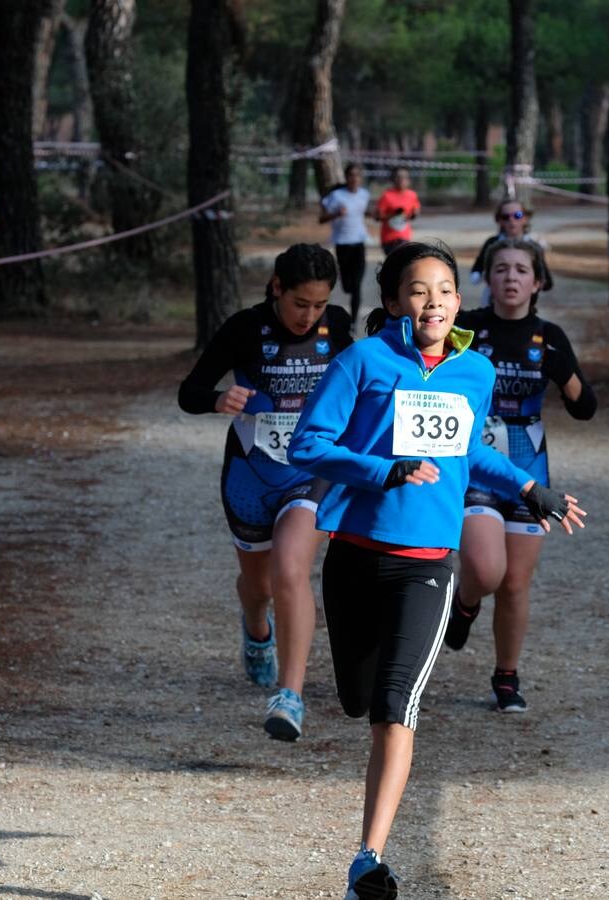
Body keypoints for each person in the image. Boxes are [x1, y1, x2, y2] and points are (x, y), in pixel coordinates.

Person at [287, 241, 586, 898]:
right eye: (419, 290)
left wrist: (528, 488)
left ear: (458, 298)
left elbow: (468, 454)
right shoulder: (361, 361)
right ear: (395, 300)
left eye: (445, 290)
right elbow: (307, 445)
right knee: (359, 699)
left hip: (427, 567)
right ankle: (366, 815)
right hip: (356, 558)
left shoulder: (473, 371)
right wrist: (380, 469)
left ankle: (366, 859)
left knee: (397, 709)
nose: (434, 303)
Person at [177, 243, 352, 742]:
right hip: (251, 476)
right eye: (301, 303)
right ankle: (256, 628)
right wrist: (218, 399)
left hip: (311, 473)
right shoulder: (243, 328)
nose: (309, 316)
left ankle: (290, 695)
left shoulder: (336, 327)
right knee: (259, 589)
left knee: (291, 569)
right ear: (277, 287)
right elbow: (189, 392)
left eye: (319, 305)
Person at [446, 237, 597, 713]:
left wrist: (562, 370)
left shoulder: (549, 337)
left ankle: (506, 676)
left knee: (515, 582)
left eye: (521, 270)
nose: (511, 277)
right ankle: (466, 602)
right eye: (501, 269)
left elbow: (585, 407)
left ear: (538, 282)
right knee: (487, 569)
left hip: (530, 464)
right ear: (487, 279)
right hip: (477, 463)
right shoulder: (466, 328)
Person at [469, 199, 553, 305]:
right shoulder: (492, 243)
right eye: (505, 217)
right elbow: (475, 275)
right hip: (492, 304)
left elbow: (547, 283)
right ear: (499, 220)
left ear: (526, 218)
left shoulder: (534, 247)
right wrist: (489, 274)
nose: (512, 220)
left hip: (524, 308)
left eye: (517, 215)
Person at [319, 162, 372, 329]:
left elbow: (363, 211)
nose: (354, 178)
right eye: (351, 175)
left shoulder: (364, 195)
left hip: (359, 244)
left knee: (356, 286)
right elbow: (321, 219)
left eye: (357, 175)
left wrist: (376, 214)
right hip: (342, 244)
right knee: (347, 286)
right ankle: (346, 284)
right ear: (347, 178)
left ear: (361, 178)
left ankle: (354, 321)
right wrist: (336, 213)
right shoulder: (336, 196)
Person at [374, 167, 421, 256]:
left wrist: (414, 214)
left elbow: (413, 214)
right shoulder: (387, 195)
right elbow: (377, 217)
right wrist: (393, 214)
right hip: (389, 239)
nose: (401, 180)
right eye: (398, 177)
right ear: (393, 179)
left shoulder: (412, 195)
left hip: (404, 237)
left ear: (409, 180)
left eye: (404, 177)